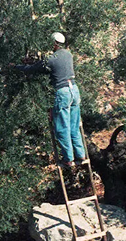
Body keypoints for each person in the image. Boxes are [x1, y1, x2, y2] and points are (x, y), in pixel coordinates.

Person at [14, 32, 85, 167]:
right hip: (74, 90)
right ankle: (80, 155)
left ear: (54, 43)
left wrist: (17, 67)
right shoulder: (68, 54)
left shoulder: (52, 59)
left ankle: (68, 159)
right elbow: (50, 65)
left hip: (63, 92)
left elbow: (33, 69)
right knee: (74, 125)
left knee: (62, 127)